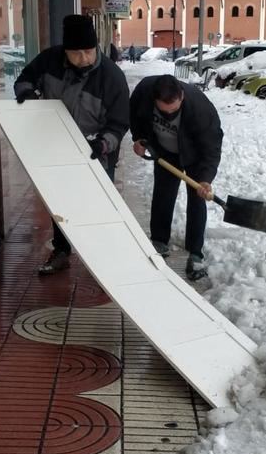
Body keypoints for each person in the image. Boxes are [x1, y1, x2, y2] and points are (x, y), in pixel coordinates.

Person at [14, 14, 130, 275]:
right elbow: (24, 79)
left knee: (97, 204)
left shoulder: (112, 77)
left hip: (96, 153)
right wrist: (26, 94)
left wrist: (102, 145)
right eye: (76, 54)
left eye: (89, 52)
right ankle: (62, 251)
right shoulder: (49, 60)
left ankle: (103, 257)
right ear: (66, 51)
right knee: (60, 202)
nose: (84, 59)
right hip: (56, 146)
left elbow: (120, 123)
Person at [130, 74, 223, 281]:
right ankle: (159, 241)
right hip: (165, 151)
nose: (169, 115)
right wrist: (139, 139)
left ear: (181, 96)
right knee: (163, 193)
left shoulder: (200, 109)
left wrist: (206, 178)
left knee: (198, 197)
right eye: (164, 112)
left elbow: (212, 147)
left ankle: (196, 252)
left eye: (174, 111)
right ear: (155, 100)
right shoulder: (144, 91)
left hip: (196, 155)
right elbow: (135, 115)